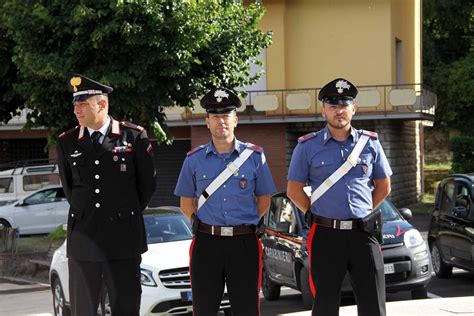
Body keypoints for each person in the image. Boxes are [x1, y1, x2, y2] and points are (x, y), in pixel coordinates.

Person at [287, 78, 392, 316]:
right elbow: (294, 190)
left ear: (353, 109)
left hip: (363, 233)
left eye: (344, 105)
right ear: (323, 110)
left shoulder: (371, 144)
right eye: (333, 106)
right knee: (325, 303)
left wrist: (364, 211)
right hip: (326, 235)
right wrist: (316, 213)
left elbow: (384, 186)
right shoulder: (307, 147)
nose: (339, 111)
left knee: (373, 302)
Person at [56, 74, 156, 316]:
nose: (77, 110)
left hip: (123, 239)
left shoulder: (133, 136)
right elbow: (70, 189)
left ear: (102, 105)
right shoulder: (67, 142)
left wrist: (121, 212)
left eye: (83, 105)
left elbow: (147, 186)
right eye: (75, 105)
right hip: (84, 240)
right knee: (84, 309)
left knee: (126, 308)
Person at [174, 87, 276, 316]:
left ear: (236, 120)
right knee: (204, 308)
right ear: (207, 122)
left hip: (244, 243)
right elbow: (186, 204)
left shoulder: (254, 157)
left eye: (226, 116)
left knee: (246, 308)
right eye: (215, 116)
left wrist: (245, 223)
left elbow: (264, 200)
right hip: (207, 243)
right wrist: (200, 226)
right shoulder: (194, 160)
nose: (221, 121)